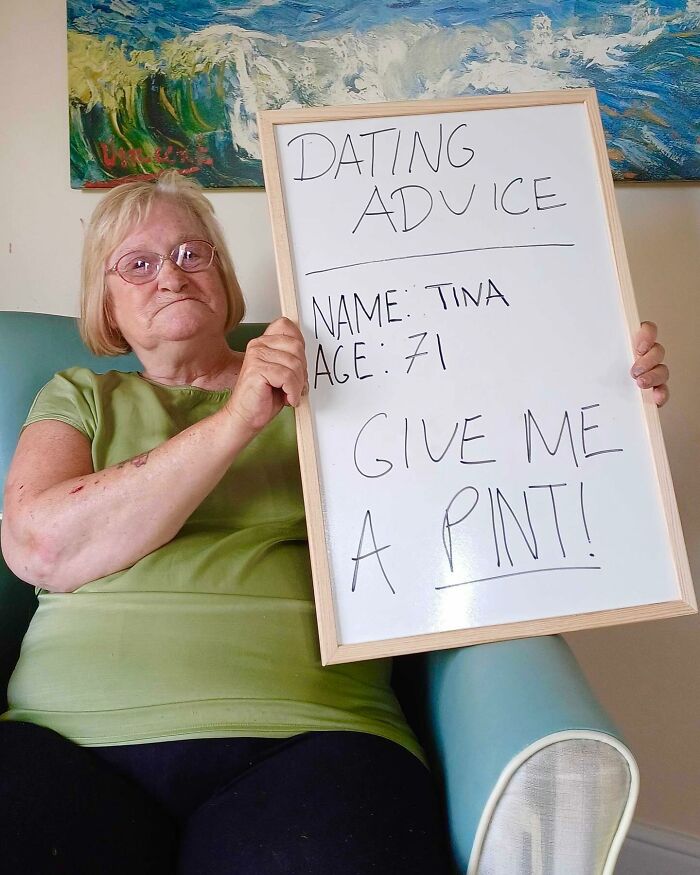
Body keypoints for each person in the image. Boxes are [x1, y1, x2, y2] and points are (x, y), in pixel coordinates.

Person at [0, 171, 670, 875]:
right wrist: (236, 421)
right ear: (106, 306)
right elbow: (42, 545)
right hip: (66, 737)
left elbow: (483, 460)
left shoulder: (342, 382)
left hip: (309, 733)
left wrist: (604, 389)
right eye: (137, 264)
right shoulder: (79, 394)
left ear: (224, 279)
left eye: (192, 253)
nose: (171, 275)